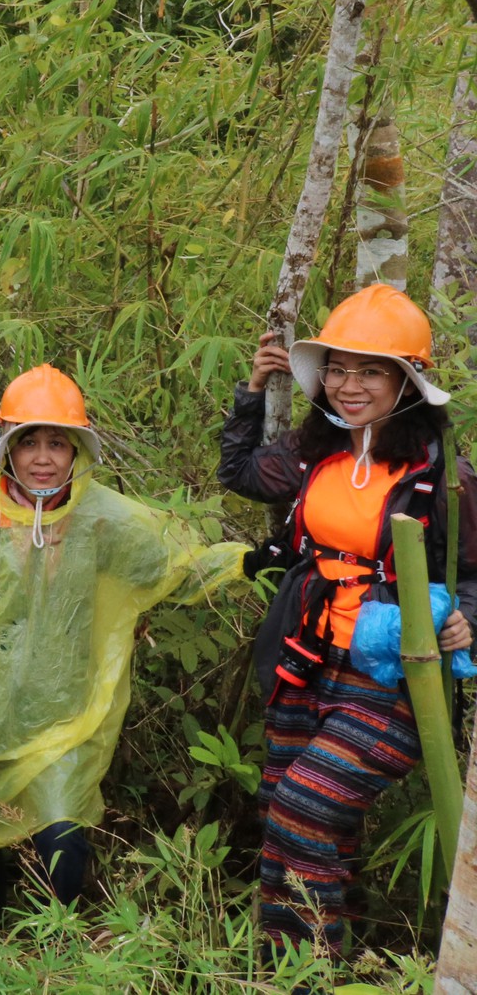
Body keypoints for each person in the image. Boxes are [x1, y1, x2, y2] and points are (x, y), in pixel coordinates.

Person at [0, 364, 249, 923]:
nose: (43, 457)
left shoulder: (104, 519)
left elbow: (177, 567)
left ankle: (59, 938)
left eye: (57, 442)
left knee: (62, 834)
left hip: (67, 710)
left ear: (78, 451)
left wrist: (251, 561)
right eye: (28, 443)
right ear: (6, 449)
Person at [219, 283, 477, 958]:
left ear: (407, 382)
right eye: (337, 367)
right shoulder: (315, 453)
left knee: (307, 809)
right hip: (306, 659)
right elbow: (241, 471)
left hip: (390, 673)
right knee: (288, 812)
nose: (348, 384)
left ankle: (308, 967)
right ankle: (319, 955)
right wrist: (252, 392)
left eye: (370, 371)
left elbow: (474, 571)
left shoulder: (439, 473)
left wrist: (466, 622)